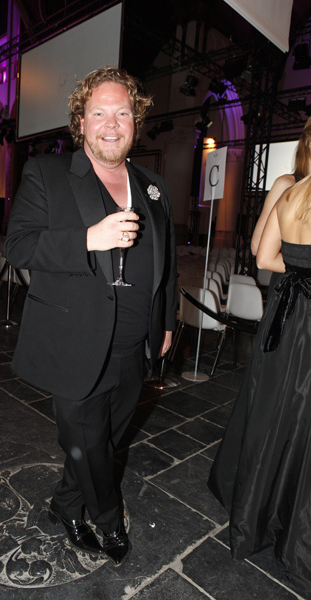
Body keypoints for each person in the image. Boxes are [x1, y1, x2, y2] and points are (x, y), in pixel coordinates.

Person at [5, 66, 177, 567]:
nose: (111, 123)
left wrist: (166, 322)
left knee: (105, 439)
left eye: (122, 113)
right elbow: (19, 246)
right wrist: (88, 239)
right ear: (81, 122)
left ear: (135, 121)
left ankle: (65, 503)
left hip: (134, 342)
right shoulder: (47, 172)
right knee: (87, 440)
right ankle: (106, 518)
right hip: (74, 339)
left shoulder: (152, 186)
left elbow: (165, 265)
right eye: (99, 113)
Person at [208, 173, 311, 596]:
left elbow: (264, 257)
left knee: (272, 408)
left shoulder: (289, 191)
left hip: (287, 314)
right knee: (301, 420)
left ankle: (255, 509)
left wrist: (302, 268)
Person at [251, 116, 311, 256]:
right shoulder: (286, 184)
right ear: (308, 143)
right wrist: (301, 265)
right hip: (288, 269)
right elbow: (256, 247)